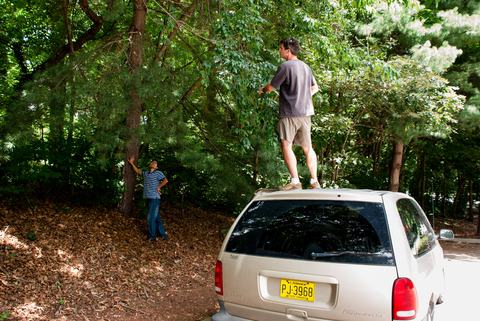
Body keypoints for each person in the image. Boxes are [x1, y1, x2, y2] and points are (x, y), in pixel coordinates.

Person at [259, 37, 320, 190]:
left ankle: (295, 182)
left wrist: (262, 90)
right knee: (308, 148)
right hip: (305, 114)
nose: (279, 50)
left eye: (281, 48)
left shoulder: (285, 66)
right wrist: (304, 97)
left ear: (288, 50)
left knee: (286, 145)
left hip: (289, 114)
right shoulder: (306, 67)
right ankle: (314, 182)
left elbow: (271, 87)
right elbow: (315, 88)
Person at [128, 157, 169, 241]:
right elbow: (137, 171)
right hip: (148, 197)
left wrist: (158, 186)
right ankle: (163, 235)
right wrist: (131, 163)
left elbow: (165, 180)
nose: (154, 162)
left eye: (155, 163)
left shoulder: (158, 173)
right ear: (150, 165)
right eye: (153, 162)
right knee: (156, 217)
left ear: (156, 167)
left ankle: (152, 237)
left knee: (151, 217)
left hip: (155, 198)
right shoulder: (146, 173)